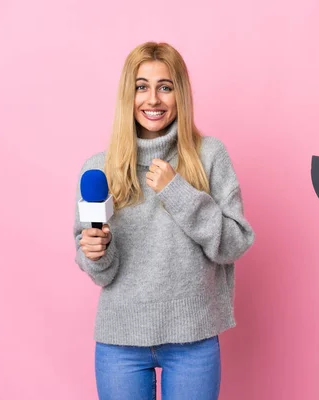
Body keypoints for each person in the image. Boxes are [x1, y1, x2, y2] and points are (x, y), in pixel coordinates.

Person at [72, 42, 255, 400]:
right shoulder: (99, 169)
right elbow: (102, 274)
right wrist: (96, 253)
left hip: (193, 339)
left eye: (165, 87)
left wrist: (178, 192)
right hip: (120, 341)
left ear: (180, 94)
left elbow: (234, 244)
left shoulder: (210, 155)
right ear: (129, 94)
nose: (152, 99)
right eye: (142, 87)